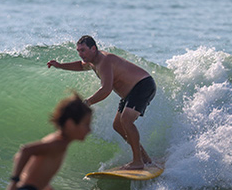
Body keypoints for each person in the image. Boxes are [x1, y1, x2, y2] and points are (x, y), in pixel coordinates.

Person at [47, 35, 156, 170]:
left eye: (83, 50)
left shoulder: (104, 61)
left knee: (126, 120)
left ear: (93, 48)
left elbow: (106, 89)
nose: (80, 54)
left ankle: (138, 161)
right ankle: (145, 158)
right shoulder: (93, 61)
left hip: (143, 85)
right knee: (118, 125)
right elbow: (81, 65)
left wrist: (87, 102)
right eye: (78, 51)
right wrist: (59, 65)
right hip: (130, 94)